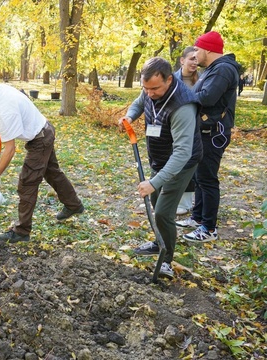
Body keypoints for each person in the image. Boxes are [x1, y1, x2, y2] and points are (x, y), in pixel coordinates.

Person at [0, 71, 84, 243]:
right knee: (52, 173)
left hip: (39, 139)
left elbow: (10, 150)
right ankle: (74, 205)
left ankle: (22, 231)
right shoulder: (1, 92)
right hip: (43, 130)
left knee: (27, 183)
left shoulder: (4, 108)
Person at [118, 57, 202, 279]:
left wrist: (154, 183)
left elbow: (182, 153)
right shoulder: (149, 89)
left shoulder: (183, 105)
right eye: (145, 88)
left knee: (164, 211)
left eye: (155, 88)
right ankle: (160, 241)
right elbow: (139, 103)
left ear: (169, 79)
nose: (149, 93)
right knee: (156, 201)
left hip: (181, 163)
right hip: (161, 157)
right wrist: (130, 115)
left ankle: (166, 258)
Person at [177, 31, 240, 242]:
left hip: (214, 133)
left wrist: (181, 96)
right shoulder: (214, 69)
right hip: (205, 130)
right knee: (199, 178)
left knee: (207, 179)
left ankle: (209, 228)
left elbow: (207, 98)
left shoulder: (222, 70)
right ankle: (198, 218)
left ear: (208, 49)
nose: (194, 53)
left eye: (197, 49)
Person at [173, 46, 198, 215]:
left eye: (197, 59)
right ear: (182, 60)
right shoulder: (172, 79)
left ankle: (186, 202)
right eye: (191, 59)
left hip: (195, 127)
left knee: (191, 163)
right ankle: (173, 198)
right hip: (175, 127)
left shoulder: (202, 79)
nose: (195, 62)